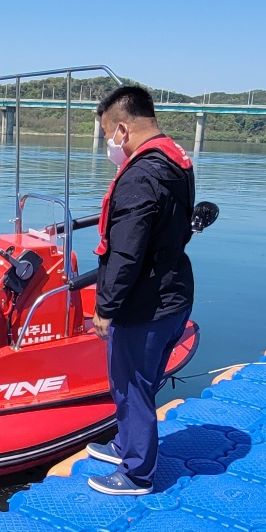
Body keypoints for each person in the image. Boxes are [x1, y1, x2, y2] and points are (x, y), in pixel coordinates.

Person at [83, 86, 196, 496]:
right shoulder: (176, 161)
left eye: (107, 134)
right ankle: (126, 444)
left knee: (130, 384)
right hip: (175, 291)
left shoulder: (140, 176)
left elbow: (127, 251)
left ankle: (136, 474)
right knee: (140, 381)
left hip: (145, 302)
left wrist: (106, 307)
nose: (109, 144)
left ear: (122, 128)